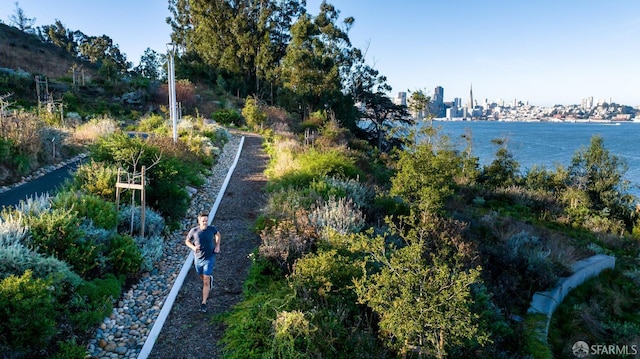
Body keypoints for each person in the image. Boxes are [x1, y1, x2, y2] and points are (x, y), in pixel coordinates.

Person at [185, 210, 221, 312]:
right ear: (199, 221)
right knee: (200, 275)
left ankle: (203, 303)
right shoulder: (194, 231)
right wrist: (193, 247)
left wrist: (217, 246)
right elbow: (187, 241)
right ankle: (209, 280)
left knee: (205, 281)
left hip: (209, 258)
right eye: (203, 221)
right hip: (198, 259)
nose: (205, 223)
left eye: (206, 220)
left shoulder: (211, 229)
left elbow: (218, 234)